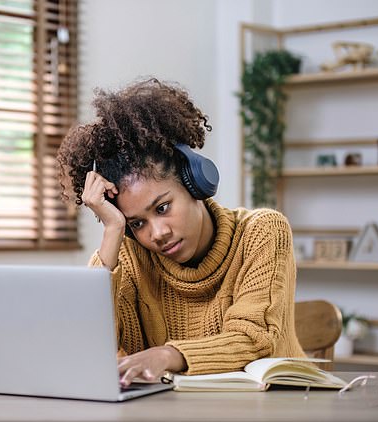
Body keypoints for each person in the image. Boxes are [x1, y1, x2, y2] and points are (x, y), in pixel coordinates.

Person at [56, 78, 305, 387]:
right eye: (137, 223)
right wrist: (113, 231)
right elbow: (86, 345)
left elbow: (254, 339)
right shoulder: (129, 256)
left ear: (194, 184)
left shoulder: (263, 231)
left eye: (162, 208)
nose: (157, 234)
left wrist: (167, 355)